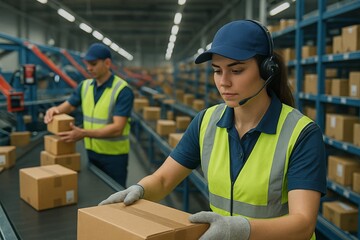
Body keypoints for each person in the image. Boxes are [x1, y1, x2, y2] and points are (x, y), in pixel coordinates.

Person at [99, 20, 326, 239]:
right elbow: (163, 180)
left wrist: (241, 230)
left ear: (267, 71)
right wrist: (140, 190)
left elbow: (303, 224)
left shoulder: (301, 134)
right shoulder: (206, 122)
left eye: (236, 71)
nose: (223, 82)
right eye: (217, 70)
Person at [44, 43, 134, 187]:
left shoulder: (122, 90)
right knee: (97, 195)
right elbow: (70, 105)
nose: (89, 68)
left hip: (114, 157)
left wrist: (84, 133)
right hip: (92, 153)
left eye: (93, 64)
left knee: (116, 199)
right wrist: (55, 110)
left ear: (107, 63)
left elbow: (118, 128)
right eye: (87, 64)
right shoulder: (85, 86)